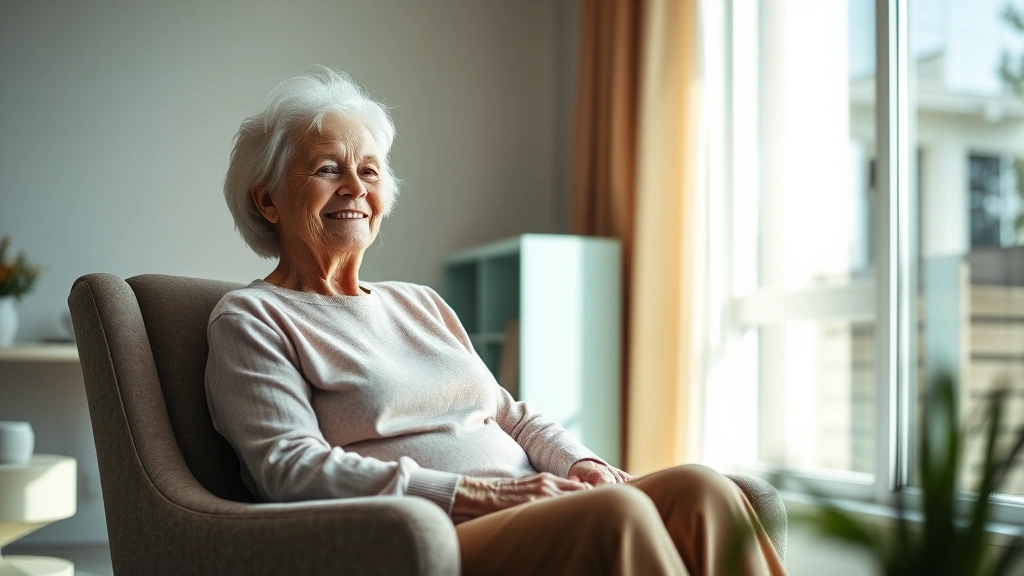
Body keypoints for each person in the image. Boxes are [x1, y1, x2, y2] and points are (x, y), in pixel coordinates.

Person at [206, 67, 786, 576]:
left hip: (531, 503)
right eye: (329, 169)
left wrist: (582, 463)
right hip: (427, 536)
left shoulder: (419, 302)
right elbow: (289, 469)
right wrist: (480, 494)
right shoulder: (254, 317)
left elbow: (508, 413)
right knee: (617, 513)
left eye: (371, 170)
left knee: (703, 488)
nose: (356, 188)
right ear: (268, 201)